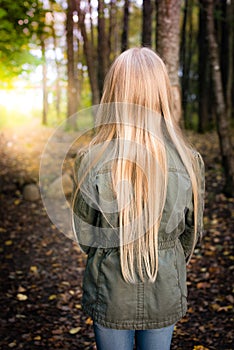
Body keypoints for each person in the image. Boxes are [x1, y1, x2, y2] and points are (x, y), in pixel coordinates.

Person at [72, 47, 205, 350]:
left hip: (109, 290)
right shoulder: (189, 159)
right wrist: (164, 254)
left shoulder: (91, 158)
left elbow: (85, 235)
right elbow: (191, 233)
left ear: (115, 91)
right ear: (161, 92)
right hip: (165, 287)